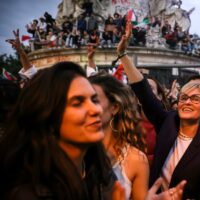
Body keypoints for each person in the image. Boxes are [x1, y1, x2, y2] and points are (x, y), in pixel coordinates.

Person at [118, 20, 200, 199]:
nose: (187, 102)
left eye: (195, 98)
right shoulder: (168, 122)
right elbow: (143, 91)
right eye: (183, 97)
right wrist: (123, 54)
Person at [0, 62, 119, 199]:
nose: (96, 110)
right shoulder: (25, 192)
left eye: (94, 100)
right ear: (47, 116)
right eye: (77, 103)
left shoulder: (99, 168)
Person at [89, 73, 149, 200]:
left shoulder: (136, 159)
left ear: (114, 108)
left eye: (94, 100)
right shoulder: (78, 151)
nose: (87, 107)